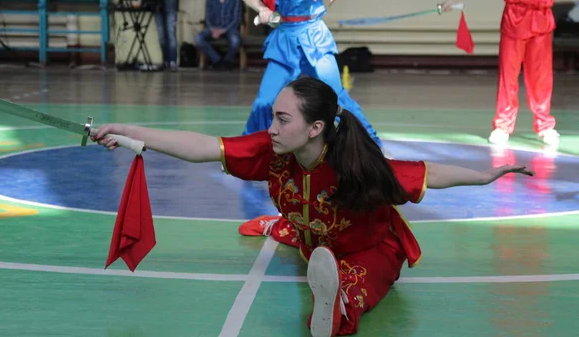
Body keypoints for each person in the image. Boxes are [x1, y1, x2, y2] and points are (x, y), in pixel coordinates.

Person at [92, 77, 534, 337]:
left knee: (352, 293)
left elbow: (428, 174)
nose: (273, 127)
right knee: (308, 235)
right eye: (273, 116)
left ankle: (335, 300)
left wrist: (487, 176)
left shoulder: (356, 167)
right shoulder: (274, 150)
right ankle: (287, 233)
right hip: (315, 237)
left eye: (283, 119)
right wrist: (130, 131)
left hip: (371, 250)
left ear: (315, 128)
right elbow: (203, 147)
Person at [241, 0, 384, 148]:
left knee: (337, 97)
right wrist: (262, 8)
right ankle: (249, 149)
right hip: (284, 41)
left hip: (315, 38)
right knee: (265, 101)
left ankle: (372, 146)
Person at [440, 0, 565, 146]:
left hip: (542, 24)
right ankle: (503, 125)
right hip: (514, 21)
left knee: (541, 77)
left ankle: (545, 125)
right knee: (509, 75)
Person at [195, 0, 243, 70]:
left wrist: (223, 30)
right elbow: (207, 18)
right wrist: (213, 30)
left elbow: (236, 19)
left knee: (235, 40)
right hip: (213, 28)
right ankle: (217, 60)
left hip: (230, 29)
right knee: (198, 38)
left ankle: (227, 61)